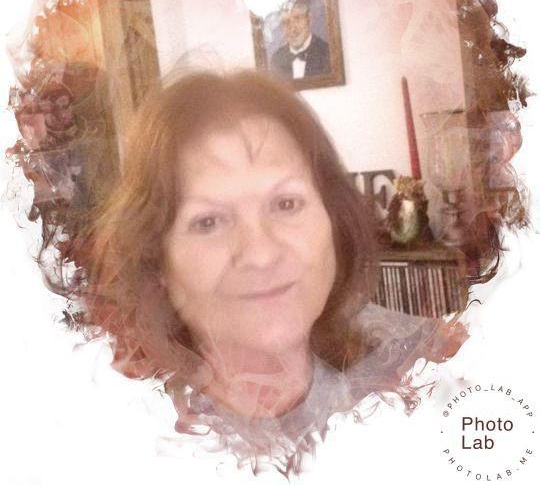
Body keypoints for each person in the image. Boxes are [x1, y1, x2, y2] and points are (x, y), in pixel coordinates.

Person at [78, 68, 467, 474]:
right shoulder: (118, 444)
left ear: (334, 221)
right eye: (208, 221)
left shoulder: (424, 368)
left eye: (286, 204)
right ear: (157, 261)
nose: (261, 254)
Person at [270, 0, 331, 79]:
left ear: (309, 19)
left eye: (297, 19)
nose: (292, 29)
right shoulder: (276, 59)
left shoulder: (327, 53)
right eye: (286, 22)